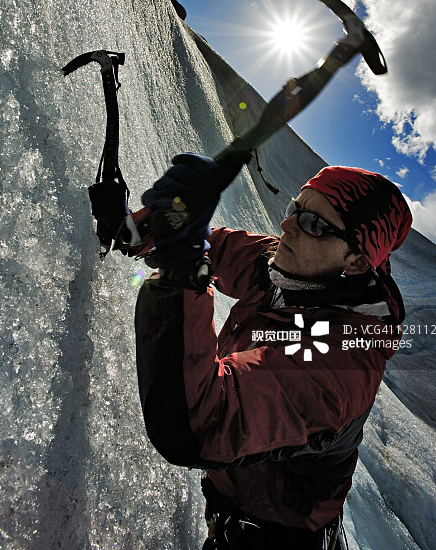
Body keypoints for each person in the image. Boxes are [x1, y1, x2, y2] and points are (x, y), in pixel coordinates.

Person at [134, 153, 412, 549]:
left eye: (313, 224)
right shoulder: (290, 268)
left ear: (356, 261)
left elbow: (197, 422)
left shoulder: (345, 363)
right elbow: (221, 246)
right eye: (295, 208)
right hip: (237, 508)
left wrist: (182, 268)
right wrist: (146, 228)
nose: (287, 226)